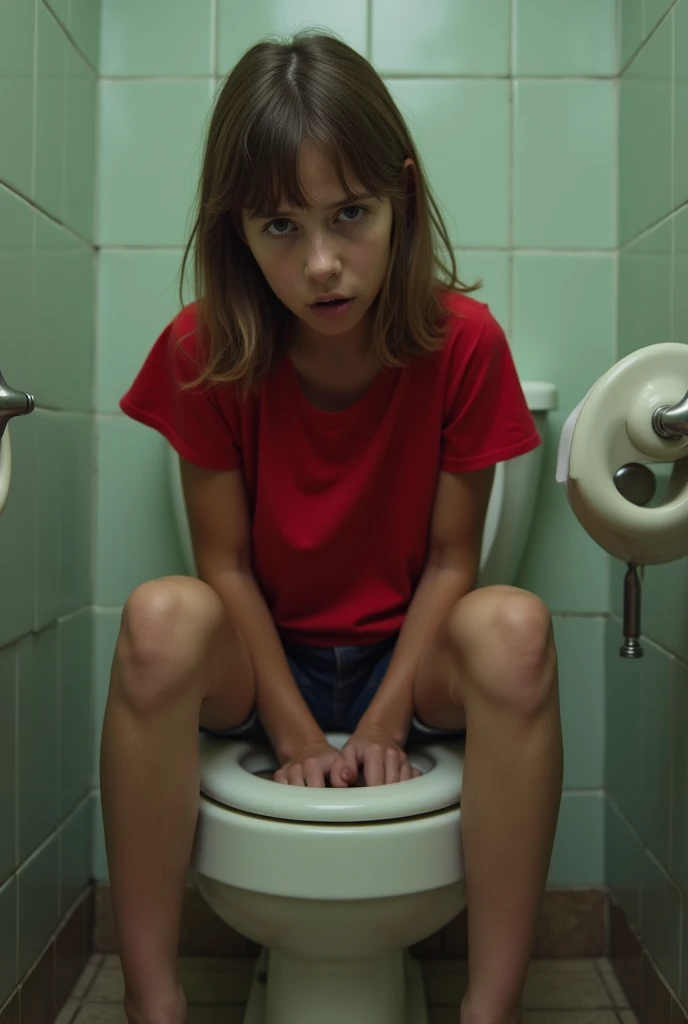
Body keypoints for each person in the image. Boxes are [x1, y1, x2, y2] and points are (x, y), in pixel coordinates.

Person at [100, 30, 564, 1024]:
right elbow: (220, 566)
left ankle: (489, 1009)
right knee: (155, 622)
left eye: (350, 215)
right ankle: (154, 1003)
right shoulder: (206, 349)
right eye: (279, 227)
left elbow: (453, 561)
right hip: (267, 654)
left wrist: (389, 713)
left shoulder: (463, 344)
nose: (321, 264)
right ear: (236, 230)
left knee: (517, 629)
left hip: (417, 652)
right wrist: (294, 725)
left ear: (399, 197)